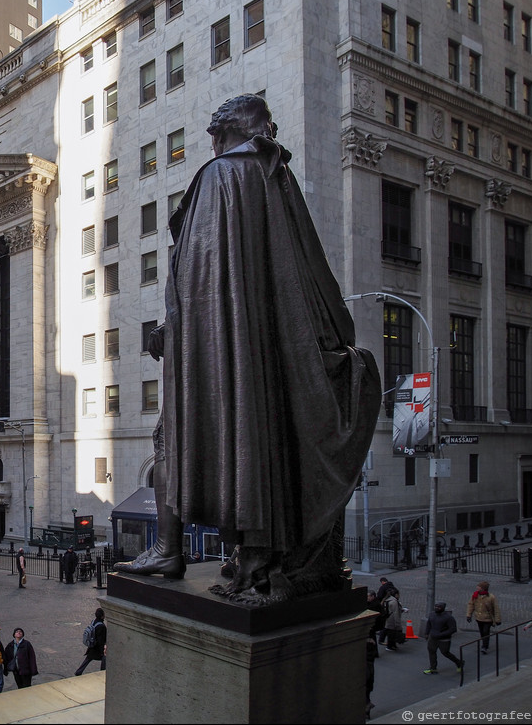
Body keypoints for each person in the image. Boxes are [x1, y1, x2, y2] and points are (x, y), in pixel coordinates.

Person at [113, 95, 380, 607]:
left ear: (220, 133)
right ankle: (214, 552)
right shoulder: (273, 177)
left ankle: (176, 551)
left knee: (169, 440)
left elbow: (200, 279)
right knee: (200, 441)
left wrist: (175, 331)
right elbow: (296, 272)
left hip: (220, 352)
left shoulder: (222, 177)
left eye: (213, 134)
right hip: (259, 350)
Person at [422, 601, 463, 675]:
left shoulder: (448, 617)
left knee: (445, 652)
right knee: (431, 651)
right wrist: (426, 633)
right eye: (436, 606)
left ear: (443, 608)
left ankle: (459, 662)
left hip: (444, 639)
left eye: (439, 607)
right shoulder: (432, 614)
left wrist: (441, 634)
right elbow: (429, 624)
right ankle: (433, 668)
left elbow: (453, 629)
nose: (436, 608)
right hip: (433, 637)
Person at [465, 580, 501, 654]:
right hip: (479, 618)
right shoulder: (475, 595)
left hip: (488, 619)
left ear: (483, 588)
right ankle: (484, 641)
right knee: (482, 632)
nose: (477, 588)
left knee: (486, 631)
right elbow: (471, 605)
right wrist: (469, 615)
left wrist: (498, 620)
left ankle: (485, 646)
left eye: (479, 587)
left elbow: (496, 609)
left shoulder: (491, 597)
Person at [75, 608, 107, 675]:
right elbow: (100, 640)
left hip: (92, 646)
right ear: (102, 616)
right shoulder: (101, 626)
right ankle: (102, 673)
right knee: (104, 658)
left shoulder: (94, 621)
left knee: (88, 658)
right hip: (97, 647)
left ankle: (79, 671)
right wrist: (102, 651)